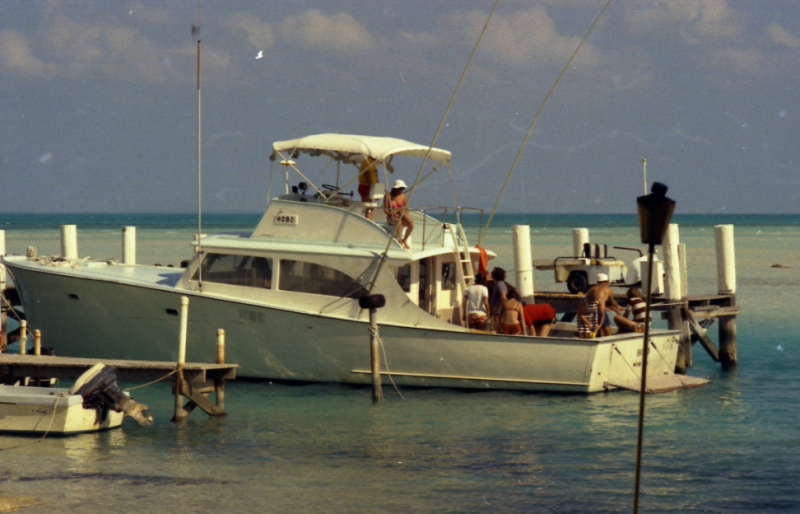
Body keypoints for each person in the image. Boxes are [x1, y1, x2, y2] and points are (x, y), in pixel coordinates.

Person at [384, 179, 414, 249]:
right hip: (391, 217)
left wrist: (406, 215)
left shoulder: (403, 195)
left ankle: (404, 240)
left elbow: (406, 207)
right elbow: (385, 210)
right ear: (396, 188)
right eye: (400, 188)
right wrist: (392, 214)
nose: (402, 190)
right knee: (398, 221)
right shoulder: (388, 196)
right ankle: (399, 239)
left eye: (402, 189)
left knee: (411, 223)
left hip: (401, 215)